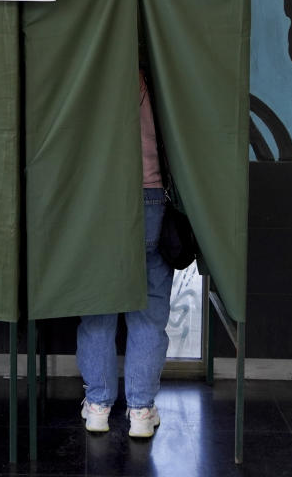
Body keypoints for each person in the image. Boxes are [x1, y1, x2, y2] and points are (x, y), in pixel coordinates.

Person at [77, 69, 172, 438]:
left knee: (98, 306)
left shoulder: (94, 75)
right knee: (148, 310)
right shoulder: (157, 78)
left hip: (100, 197)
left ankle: (99, 406)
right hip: (151, 196)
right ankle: (141, 411)